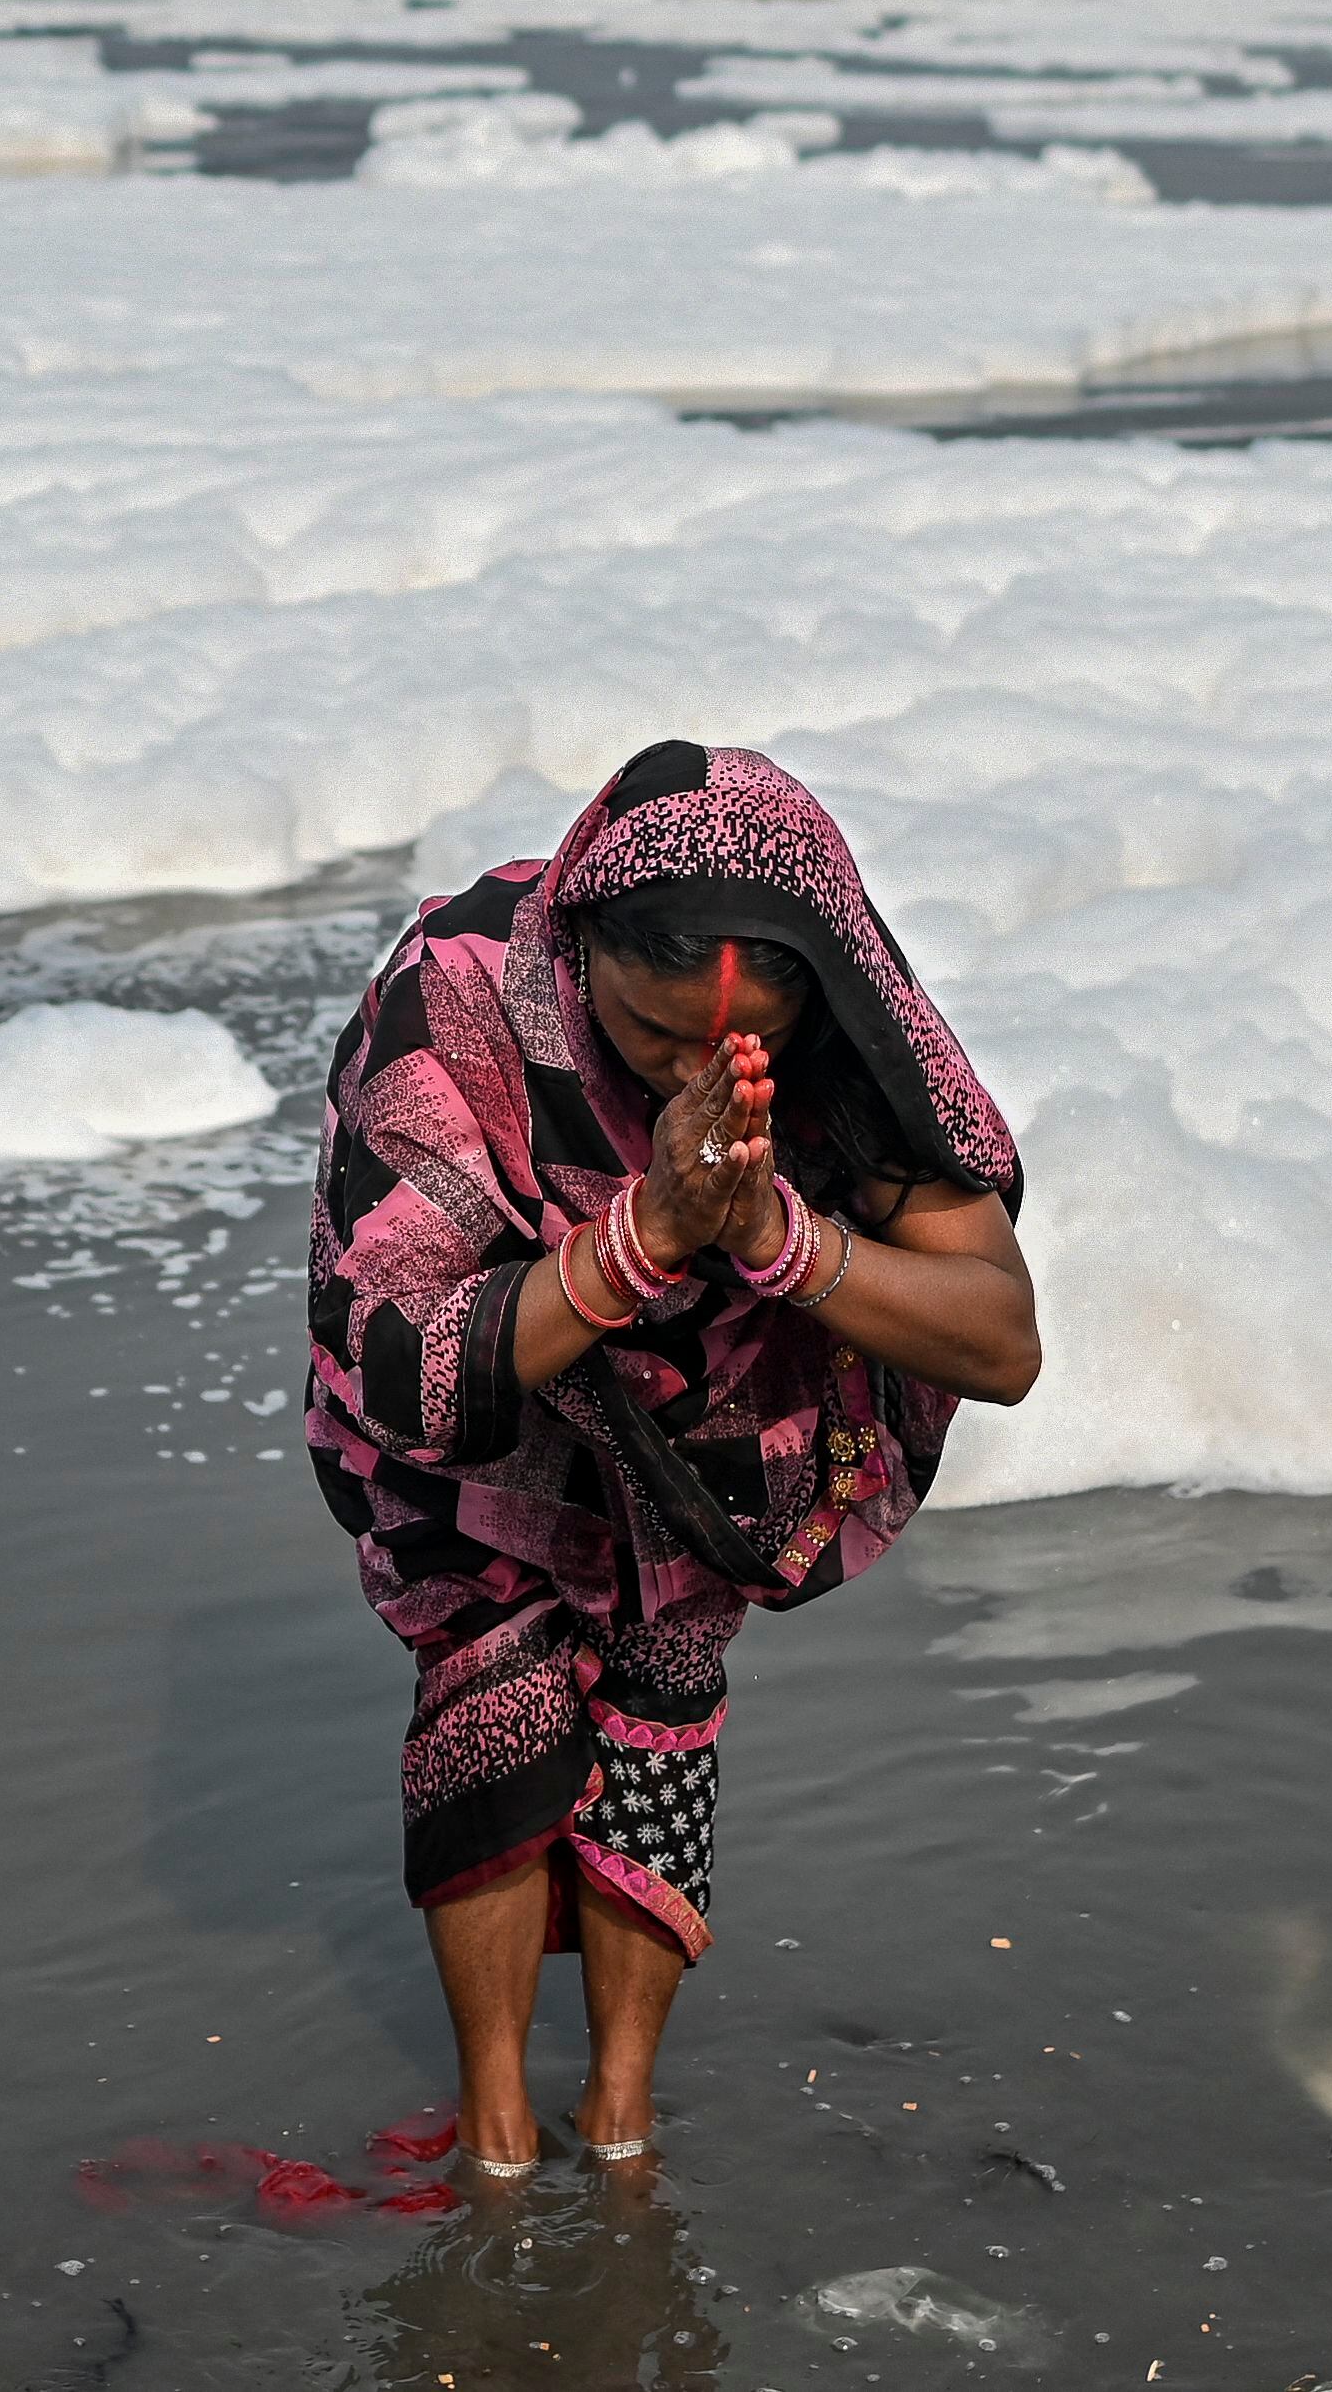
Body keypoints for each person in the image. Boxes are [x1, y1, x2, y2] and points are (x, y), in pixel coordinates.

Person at [304, 738, 1039, 2181]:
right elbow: (393, 1358)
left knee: (667, 1692)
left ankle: (623, 2116)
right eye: (650, 1040)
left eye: (727, 1050)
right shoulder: (455, 990)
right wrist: (642, 1238)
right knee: (491, 1694)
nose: (688, 1076)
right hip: (487, 1409)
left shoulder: (849, 1031)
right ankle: (503, 2133)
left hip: (713, 1425)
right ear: (579, 949)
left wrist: (772, 1238)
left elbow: (999, 1340)